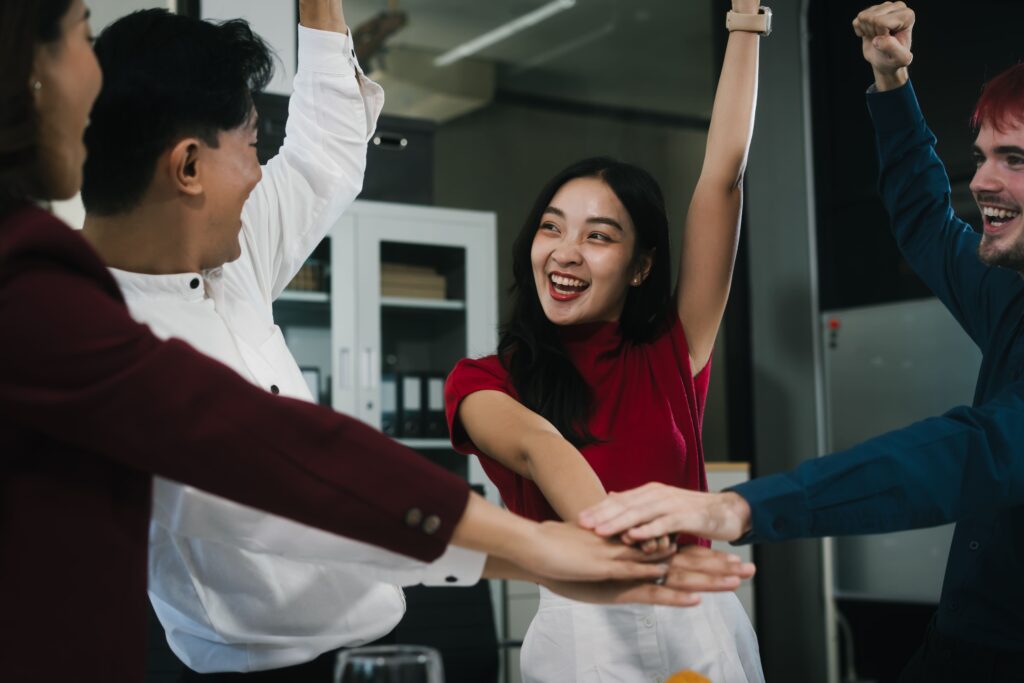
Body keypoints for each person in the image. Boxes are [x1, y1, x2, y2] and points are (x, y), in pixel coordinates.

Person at [0, 1, 756, 680]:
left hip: (374, 632)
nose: (264, 172)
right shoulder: (69, 309)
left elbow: (326, 149)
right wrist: (544, 549)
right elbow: (278, 474)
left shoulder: (224, 248)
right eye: (252, 145)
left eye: (601, 236)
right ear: (190, 167)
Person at [578, 3, 1024, 681]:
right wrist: (890, 84)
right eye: (983, 154)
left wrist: (740, 505)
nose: (984, 180)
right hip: (960, 643)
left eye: (1013, 159)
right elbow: (925, 218)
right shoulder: (1011, 290)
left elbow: (977, 451)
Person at [444, 1, 765, 681]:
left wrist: (745, 22)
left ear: (641, 264)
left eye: (598, 235)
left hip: (698, 619)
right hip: (583, 633)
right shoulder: (481, 380)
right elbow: (540, 446)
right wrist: (634, 541)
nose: (565, 252)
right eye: (552, 227)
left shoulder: (671, 353)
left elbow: (722, 176)